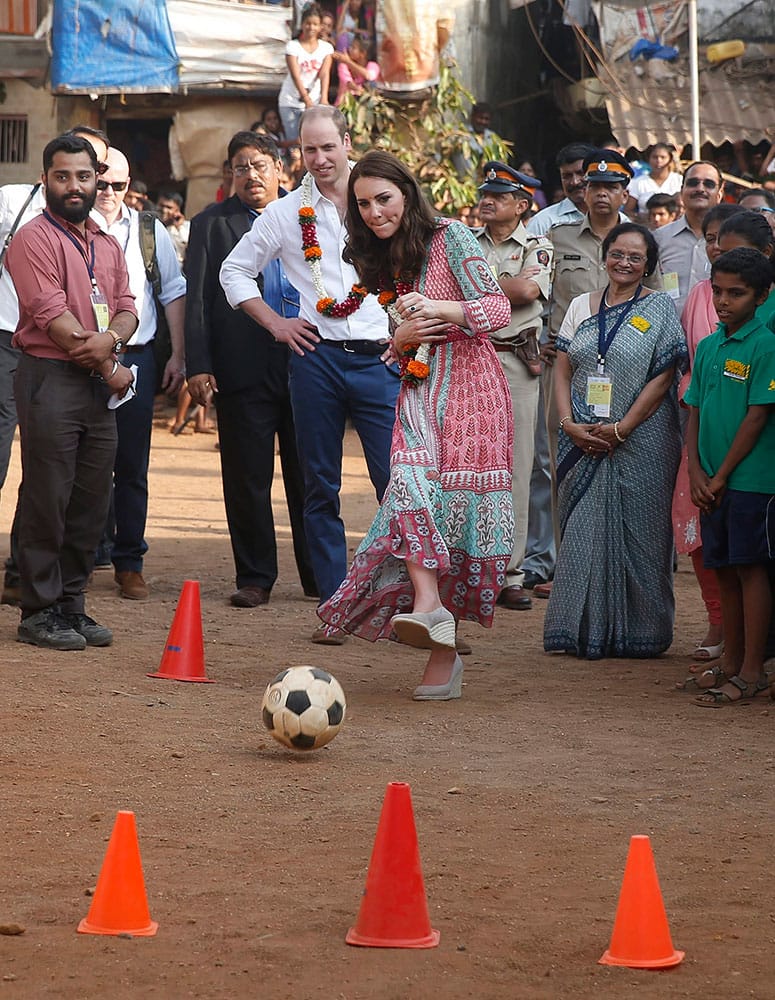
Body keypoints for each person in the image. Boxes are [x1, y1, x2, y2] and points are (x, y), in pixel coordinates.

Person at [317, 151, 513, 699]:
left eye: (384, 198)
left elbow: (496, 311)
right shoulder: (382, 260)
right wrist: (401, 340)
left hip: (474, 394)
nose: (376, 212)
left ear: (407, 193)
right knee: (406, 486)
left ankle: (442, 657)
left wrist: (441, 308)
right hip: (421, 391)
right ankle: (427, 608)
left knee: (450, 517)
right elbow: (400, 348)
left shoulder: (451, 237)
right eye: (364, 204)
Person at [219, 106, 397, 642]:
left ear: (347, 142)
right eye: (308, 150)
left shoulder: (381, 199)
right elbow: (234, 270)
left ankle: (408, 602)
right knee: (319, 486)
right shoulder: (287, 211)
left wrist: (407, 331)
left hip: (382, 360)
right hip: (315, 360)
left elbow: (420, 264)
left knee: (397, 482)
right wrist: (276, 323)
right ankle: (337, 608)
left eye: (327, 148)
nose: (318, 160)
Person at [5, 134, 136, 650]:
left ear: (95, 180)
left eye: (84, 176)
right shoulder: (32, 240)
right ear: (46, 181)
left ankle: (71, 605)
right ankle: (37, 610)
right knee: (48, 495)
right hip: (49, 377)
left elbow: (126, 305)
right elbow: (56, 324)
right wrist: (110, 365)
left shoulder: (105, 242)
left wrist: (112, 339)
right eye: (62, 176)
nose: (74, 186)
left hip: (94, 384)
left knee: (91, 498)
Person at [185, 130, 316, 608]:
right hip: (240, 368)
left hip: (308, 361)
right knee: (246, 478)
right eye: (240, 167)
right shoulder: (211, 225)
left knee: (310, 475)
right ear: (230, 175)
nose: (250, 175)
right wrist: (197, 365)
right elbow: (198, 298)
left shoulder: (311, 214)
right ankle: (255, 576)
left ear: (280, 169)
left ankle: (319, 576)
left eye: (259, 165)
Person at [543, 223, 686, 658]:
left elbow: (663, 378)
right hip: (581, 437)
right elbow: (564, 368)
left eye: (635, 257)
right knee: (583, 530)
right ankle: (584, 630)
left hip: (644, 439)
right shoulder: (580, 305)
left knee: (643, 535)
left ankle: (642, 633)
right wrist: (568, 424)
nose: (624, 263)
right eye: (617, 254)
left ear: (648, 266)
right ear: (604, 256)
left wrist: (623, 428)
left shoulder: (660, 307)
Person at [537, 149, 636, 599]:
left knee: (625, 460)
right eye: (594, 186)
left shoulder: (639, 241)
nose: (601, 194)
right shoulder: (557, 238)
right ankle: (567, 565)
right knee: (565, 464)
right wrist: (538, 337)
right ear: (583, 189)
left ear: (624, 194)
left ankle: (620, 564)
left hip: (629, 368)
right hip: (566, 366)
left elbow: (660, 299)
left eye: (611, 187)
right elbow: (540, 297)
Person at [91, 146, 187, 601]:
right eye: (102, 182)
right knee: (79, 461)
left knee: (131, 463)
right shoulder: (68, 228)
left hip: (138, 357)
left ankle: (129, 562)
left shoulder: (150, 231)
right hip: (78, 357)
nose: (109, 192)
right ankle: (84, 554)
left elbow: (173, 292)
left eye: (119, 185)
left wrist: (178, 356)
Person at [686, 248, 775, 706]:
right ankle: (730, 661)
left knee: (750, 569)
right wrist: (697, 472)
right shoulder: (709, 345)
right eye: (718, 291)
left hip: (751, 481)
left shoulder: (767, 345)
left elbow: (758, 417)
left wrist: (720, 475)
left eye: (736, 294)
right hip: (712, 483)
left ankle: (753, 668)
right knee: (721, 568)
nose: (723, 301)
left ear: (761, 296)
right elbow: (694, 412)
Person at [474, 162, 553, 611]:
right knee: (467, 467)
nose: (487, 200)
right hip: (469, 360)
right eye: (485, 193)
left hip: (517, 363)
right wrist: (500, 287)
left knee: (519, 468)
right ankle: (472, 568)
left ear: (522, 205)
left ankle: (510, 573)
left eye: (499, 196)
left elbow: (526, 292)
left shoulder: (538, 245)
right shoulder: (466, 239)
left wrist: (478, 289)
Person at [520, 143, 596, 596]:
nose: (578, 185)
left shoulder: (630, 234)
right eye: (570, 176)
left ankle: (590, 558)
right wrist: (540, 340)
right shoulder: (548, 226)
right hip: (559, 360)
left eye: (586, 178)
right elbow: (538, 294)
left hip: (618, 364)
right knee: (548, 462)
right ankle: (542, 558)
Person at [672, 203, 744, 686]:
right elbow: (688, 363)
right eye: (711, 238)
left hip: (749, 427)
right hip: (699, 424)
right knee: (694, 520)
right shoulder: (699, 295)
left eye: (726, 239)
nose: (717, 246)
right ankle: (717, 619)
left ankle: (746, 644)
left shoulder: (757, 304)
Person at [654, 161, 724, 317]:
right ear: (682, 191)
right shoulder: (659, 238)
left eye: (709, 184)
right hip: (668, 334)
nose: (700, 189)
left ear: (719, 194)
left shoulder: (730, 240)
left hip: (718, 336)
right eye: (693, 183)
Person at [277, 3, 334, 143]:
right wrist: (306, 99)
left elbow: (325, 74)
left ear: (321, 26)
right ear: (302, 24)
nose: (311, 27)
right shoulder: (293, 46)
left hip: (314, 102)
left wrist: (324, 99)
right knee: (295, 143)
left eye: (315, 24)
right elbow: (296, 76)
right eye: (308, 23)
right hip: (291, 101)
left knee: (313, 142)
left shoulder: (326, 48)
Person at [625, 143, 682, 218]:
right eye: (655, 157)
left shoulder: (679, 180)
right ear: (649, 159)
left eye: (663, 157)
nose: (658, 160)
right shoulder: (638, 182)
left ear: (670, 159)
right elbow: (628, 210)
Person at [333, 35, 379, 104]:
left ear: (363, 54)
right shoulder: (343, 65)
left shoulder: (373, 65)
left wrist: (348, 61)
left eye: (353, 48)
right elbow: (349, 84)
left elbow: (369, 76)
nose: (350, 49)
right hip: (344, 105)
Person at [156, 191, 190, 265]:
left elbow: (185, 247)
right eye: (161, 206)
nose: (164, 210)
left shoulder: (187, 227)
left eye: (169, 207)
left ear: (177, 210)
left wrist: (178, 227)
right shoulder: (150, 226)